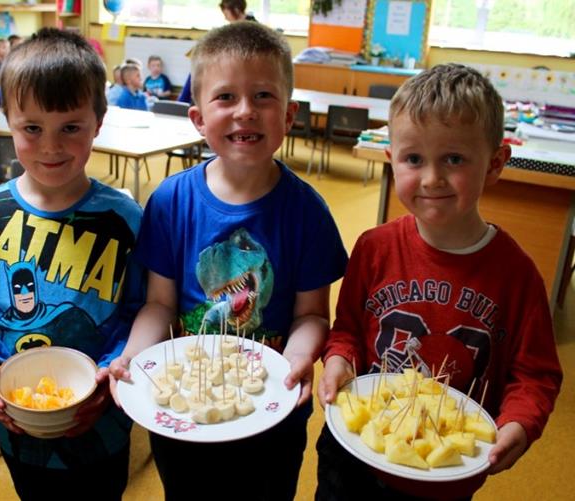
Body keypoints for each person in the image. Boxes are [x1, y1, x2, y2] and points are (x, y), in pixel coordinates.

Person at [109, 21, 348, 500]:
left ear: (288, 114)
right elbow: (159, 303)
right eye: (226, 98)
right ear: (198, 118)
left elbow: (312, 313)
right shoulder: (172, 200)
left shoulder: (306, 212)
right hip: (186, 414)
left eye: (263, 96)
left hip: (271, 411)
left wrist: (299, 358)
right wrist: (133, 355)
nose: (245, 112)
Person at [317, 63, 563, 500]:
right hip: (353, 454)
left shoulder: (517, 274)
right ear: (392, 161)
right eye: (414, 159)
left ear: (495, 163)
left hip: (445, 475)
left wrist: (520, 423)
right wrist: (338, 360)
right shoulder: (374, 248)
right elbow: (348, 331)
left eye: (454, 159)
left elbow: (535, 375)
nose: (431, 179)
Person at [0, 28, 144, 501]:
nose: (51, 146)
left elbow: (142, 309)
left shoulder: (126, 221)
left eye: (70, 127)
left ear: (99, 121)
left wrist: (112, 369)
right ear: (8, 121)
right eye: (31, 128)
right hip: (16, 428)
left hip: (103, 424)